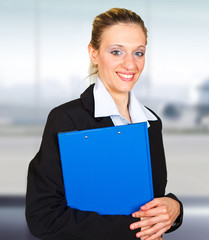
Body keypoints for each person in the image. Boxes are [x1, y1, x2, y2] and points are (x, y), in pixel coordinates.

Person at [26, 8, 183, 240]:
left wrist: (174, 208)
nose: (130, 65)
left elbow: (148, 199)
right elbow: (43, 218)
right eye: (117, 52)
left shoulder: (151, 122)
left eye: (138, 53)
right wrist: (134, 227)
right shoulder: (67, 119)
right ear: (94, 53)